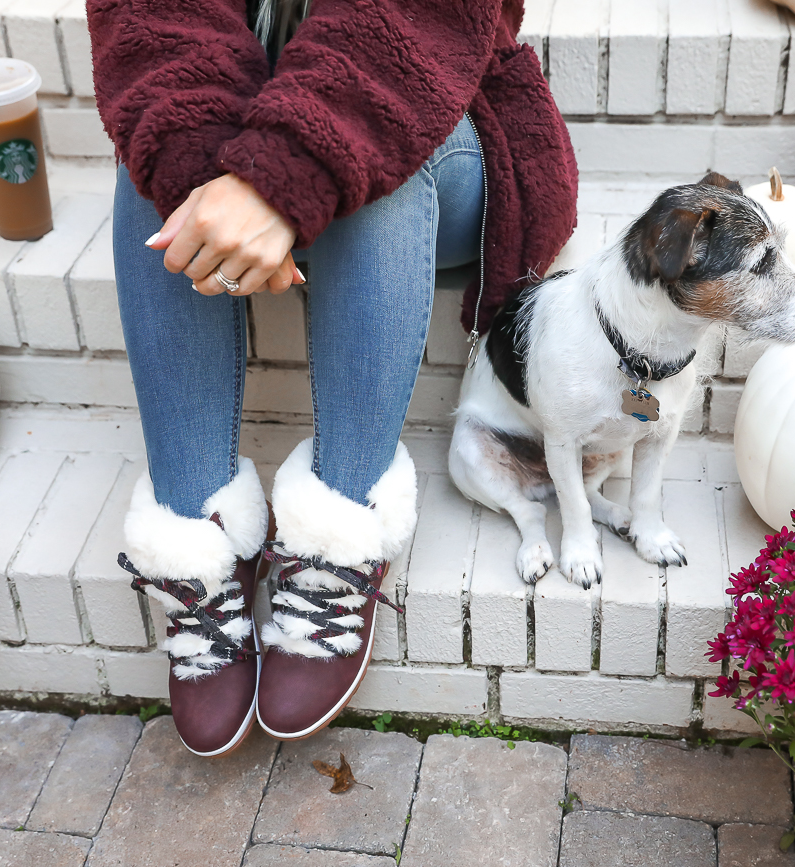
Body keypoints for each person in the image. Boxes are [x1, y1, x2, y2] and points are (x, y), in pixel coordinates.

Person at [88, 0, 577, 755]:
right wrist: (213, 178)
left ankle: (339, 534)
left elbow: (411, 27)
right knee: (158, 153)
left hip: (433, 119)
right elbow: (153, 23)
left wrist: (282, 177)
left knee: (364, 143)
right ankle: (195, 541)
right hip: (239, 122)